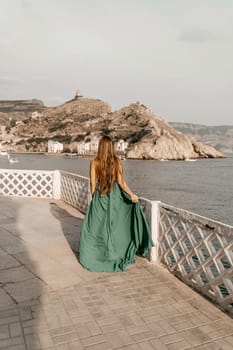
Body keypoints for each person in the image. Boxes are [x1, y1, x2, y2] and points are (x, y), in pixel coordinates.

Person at [79, 136, 153, 272]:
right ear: (112, 147)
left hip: (100, 197)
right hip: (115, 198)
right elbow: (121, 183)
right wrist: (132, 195)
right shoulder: (117, 162)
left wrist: (95, 199)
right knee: (115, 226)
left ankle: (95, 254)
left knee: (96, 228)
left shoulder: (94, 162)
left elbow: (92, 184)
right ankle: (115, 251)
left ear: (100, 147)